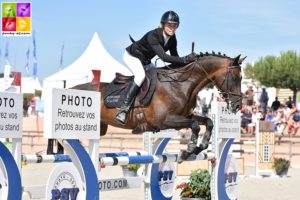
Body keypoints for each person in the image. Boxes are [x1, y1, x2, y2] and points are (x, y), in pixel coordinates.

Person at [115, 10, 198, 124]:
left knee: (158, 77)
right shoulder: (153, 35)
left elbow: (175, 58)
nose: (172, 28)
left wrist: (190, 63)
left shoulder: (172, 39)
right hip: (132, 56)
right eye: (169, 25)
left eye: (175, 26)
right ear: (163, 24)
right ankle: (123, 109)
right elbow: (164, 57)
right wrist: (185, 59)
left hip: (145, 60)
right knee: (140, 76)